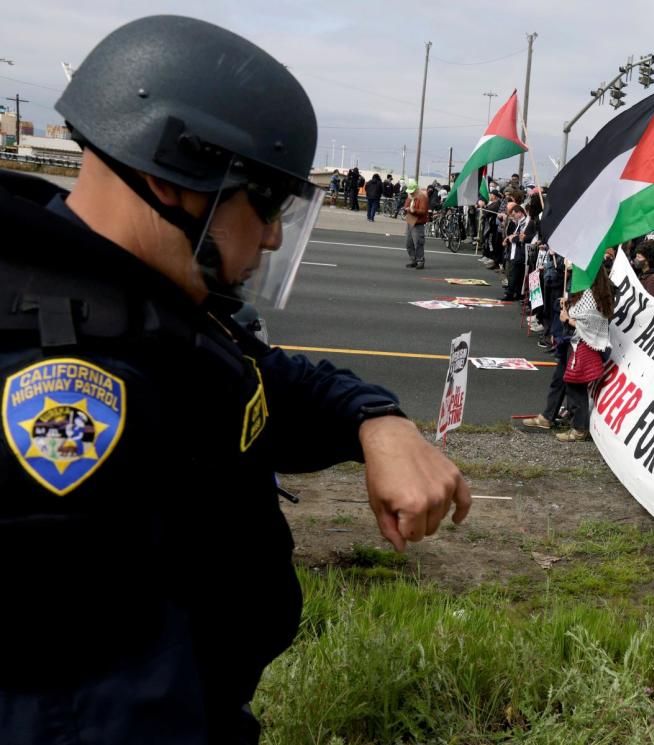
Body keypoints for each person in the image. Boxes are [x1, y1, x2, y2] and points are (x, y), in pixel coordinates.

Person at [0, 16, 470, 743]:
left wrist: (377, 421)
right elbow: (88, 709)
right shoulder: (60, 381)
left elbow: (259, 384)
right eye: (267, 202)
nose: (277, 235)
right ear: (171, 178)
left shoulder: (138, 300)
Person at [556, 268, 614, 442]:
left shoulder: (589, 294)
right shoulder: (601, 292)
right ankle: (577, 425)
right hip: (586, 344)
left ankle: (580, 428)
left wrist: (567, 317)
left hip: (582, 344)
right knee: (575, 385)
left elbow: (584, 322)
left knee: (575, 386)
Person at [403, 179, 429, 269]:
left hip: (418, 222)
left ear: (416, 189)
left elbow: (423, 211)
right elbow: (406, 205)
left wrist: (413, 210)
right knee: (408, 243)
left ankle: (420, 261)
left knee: (418, 242)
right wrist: (406, 209)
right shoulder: (410, 196)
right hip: (410, 220)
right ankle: (413, 259)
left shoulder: (422, 197)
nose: (411, 193)